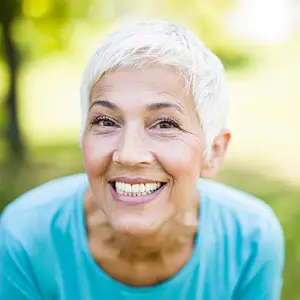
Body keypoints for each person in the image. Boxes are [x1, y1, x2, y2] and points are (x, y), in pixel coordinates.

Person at [0, 20, 284, 299]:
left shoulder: (251, 240)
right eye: (106, 121)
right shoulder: (26, 237)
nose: (129, 154)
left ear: (214, 152)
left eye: (165, 125)